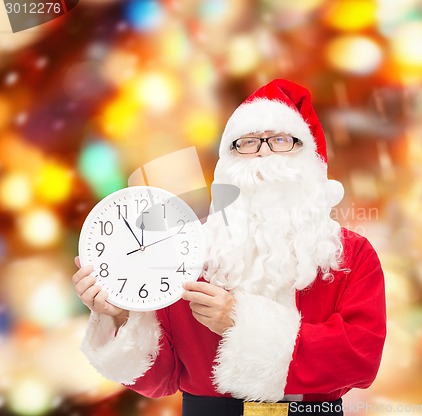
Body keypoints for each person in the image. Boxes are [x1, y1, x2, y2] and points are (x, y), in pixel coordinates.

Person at [72, 79, 387, 416]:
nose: (264, 151)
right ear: (227, 163)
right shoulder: (187, 251)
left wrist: (240, 321)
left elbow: (360, 358)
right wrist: (121, 316)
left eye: (281, 140)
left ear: (310, 159)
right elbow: (161, 379)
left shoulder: (352, 254)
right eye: (248, 143)